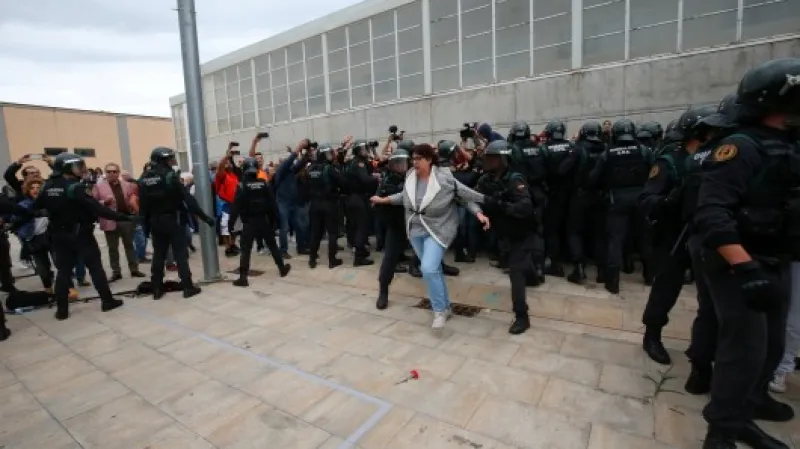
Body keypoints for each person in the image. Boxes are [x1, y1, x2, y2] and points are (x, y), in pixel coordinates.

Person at [694, 57, 800, 449]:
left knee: (770, 348)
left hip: (775, 257)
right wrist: (746, 266)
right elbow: (711, 213)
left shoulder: (788, 145)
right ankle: (721, 432)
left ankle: (747, 410)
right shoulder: (740, 147)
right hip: (739, 265)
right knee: (744, 353)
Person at [370, 143, 489, 330]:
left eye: (419, 159)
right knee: (434, 270)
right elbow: (404, 196)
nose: (414, 163)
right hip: (415, 231)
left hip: (438, 230)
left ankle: (439, 310)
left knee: (428, 268)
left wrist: (478, 213)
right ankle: (446, 306)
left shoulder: (444, 178)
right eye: (413, 159)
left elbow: (464, 196)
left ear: (430, 159)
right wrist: (383, 199)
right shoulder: (410, 176)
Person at [639, 105, 715, 365]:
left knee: (710, 297)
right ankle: (652, 334)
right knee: (666, 287)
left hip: (707, 232)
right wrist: (669, 201)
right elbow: (647, 199)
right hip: (675, 234)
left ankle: (702, 350)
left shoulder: (717, 157)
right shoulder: (670, 161)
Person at [35, 153, 132, 320]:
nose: (81, 169)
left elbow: (39, 207)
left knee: (63, 272)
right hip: (80, 234)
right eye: (77, 166)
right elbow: (96, 208)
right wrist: (123, 217)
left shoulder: (48, 186)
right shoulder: (74, 187)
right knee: (95, 268)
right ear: (68, 168)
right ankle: (107, 301)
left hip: (59, 234)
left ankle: (62, 310)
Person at [477, 140, 537, 334]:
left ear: (503, 159)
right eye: (487, 157)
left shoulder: (515, 178)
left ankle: (522, 316)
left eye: (492, 157)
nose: (488, 161)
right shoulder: (487, 180)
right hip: (503, 234)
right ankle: (534, 275)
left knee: (516, 272)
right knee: (517, 264)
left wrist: (502, 205)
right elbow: (475, 196)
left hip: (521, 232)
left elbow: (525, 207)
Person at [138, 147, 214, 300]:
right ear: (162, 160)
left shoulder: (144, 178)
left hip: (155, 222)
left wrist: (145, 227)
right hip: (173, 219)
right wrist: (205, 217)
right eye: (169, 158)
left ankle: (157, 289)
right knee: (180, 254)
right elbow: (188, 199)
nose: (172, 161)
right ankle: (187, 287)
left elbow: (143, 206)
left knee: (159, 255)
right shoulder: (170, 176)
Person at [592, 119, 654, 293]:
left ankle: (613, 282)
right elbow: (654, 174)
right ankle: (650, 276)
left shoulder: (607, 153)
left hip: (616, 199)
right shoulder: (644, 151)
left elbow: (594, 177)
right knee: (644, 238)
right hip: (642, 198)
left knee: (615, 240)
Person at [229, 158, 290, 287]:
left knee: (246, 249)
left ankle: (243, 277)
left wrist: (231, 224)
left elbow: (235, 207)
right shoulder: (264, 184)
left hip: (249, 222)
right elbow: (272, 204)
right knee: (272, 245)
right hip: (263, 221)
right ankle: (282, 268)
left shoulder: (241, 186)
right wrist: (276, 221)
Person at [563, 121, 607, 284]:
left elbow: (563, 169)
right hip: (600, 196)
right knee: (599, 234)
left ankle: (579, 268)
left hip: (580, 195)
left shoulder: (578, 148)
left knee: (574, 231)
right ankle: (602, 271)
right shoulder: (606, 148)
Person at [92, 162, 146, 282]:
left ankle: (134, 269)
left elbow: (132, 197)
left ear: (118, 173)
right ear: (105, 173)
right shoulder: (98, 186)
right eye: (109, 171)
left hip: (125, 219)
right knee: (113, 248)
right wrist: (103, 203)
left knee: (129, 245)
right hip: (109, 220)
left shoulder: (127, 185)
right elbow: (94, 203)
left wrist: (133, 205)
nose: (112, 174)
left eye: (114, 171)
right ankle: (116, 272)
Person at [540, 120, 579, 277]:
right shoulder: (572, 148)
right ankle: (570, 258)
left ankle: (554, 263)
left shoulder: (544, 149)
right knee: (571, 227)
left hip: (553, 194)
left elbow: (541, 171)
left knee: (552, 229)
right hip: (572, 194)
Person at [375, 146, 411, 310]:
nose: (400, 166)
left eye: (403, 163)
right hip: (397, 226)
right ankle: (383, 292)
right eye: (397, 163)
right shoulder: (388, 181)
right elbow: (383, 201)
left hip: (415, 225)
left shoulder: (413, 178)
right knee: (389, 260)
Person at [307, 142, 346, 269]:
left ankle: (312, 259)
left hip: (314, 204)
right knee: (333, 233)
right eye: (329, 153)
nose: (331, 156)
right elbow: (342, 181)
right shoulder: (330, 168)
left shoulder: (311, 169)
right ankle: (332, 260)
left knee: (315, 233)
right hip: (329, 203)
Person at [346, 139, 380, 266]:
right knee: (362, 228)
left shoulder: (358, 162)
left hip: (355, 198)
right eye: (364, 149)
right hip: (358, 197)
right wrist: (376, 179)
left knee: (358, 227)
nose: (366, 151)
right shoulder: (358, 163)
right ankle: (358, 258)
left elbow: (372, 167)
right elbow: (365, 179)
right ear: (358, 151)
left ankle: (360, 251)